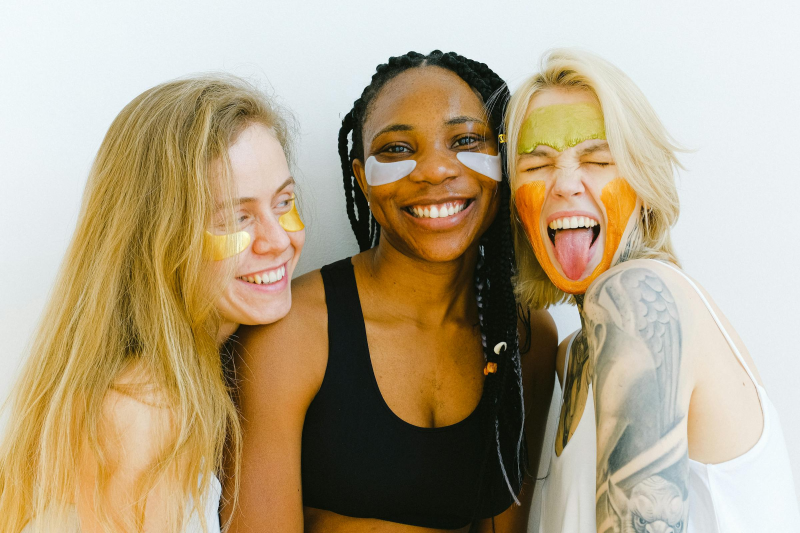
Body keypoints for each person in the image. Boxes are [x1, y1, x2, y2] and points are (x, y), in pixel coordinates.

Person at [225, 51, 557, 532]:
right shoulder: (291, 332)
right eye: (398, 149)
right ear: (361, 179)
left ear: (502, 163)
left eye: (465, 140)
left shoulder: (527, 337)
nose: (435, 170)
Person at [504, 48, 800, 533]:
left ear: (643, 182)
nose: (565, 183)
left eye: (598, 158)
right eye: (536, 166)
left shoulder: (639, 296)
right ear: (516, 204)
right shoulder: (569, 355)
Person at [0, 75, 305, 532]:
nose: (278, 239)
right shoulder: (141, 408)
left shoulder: (189, 373)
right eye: (236, 218)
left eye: (284, 202)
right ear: (156, 238)